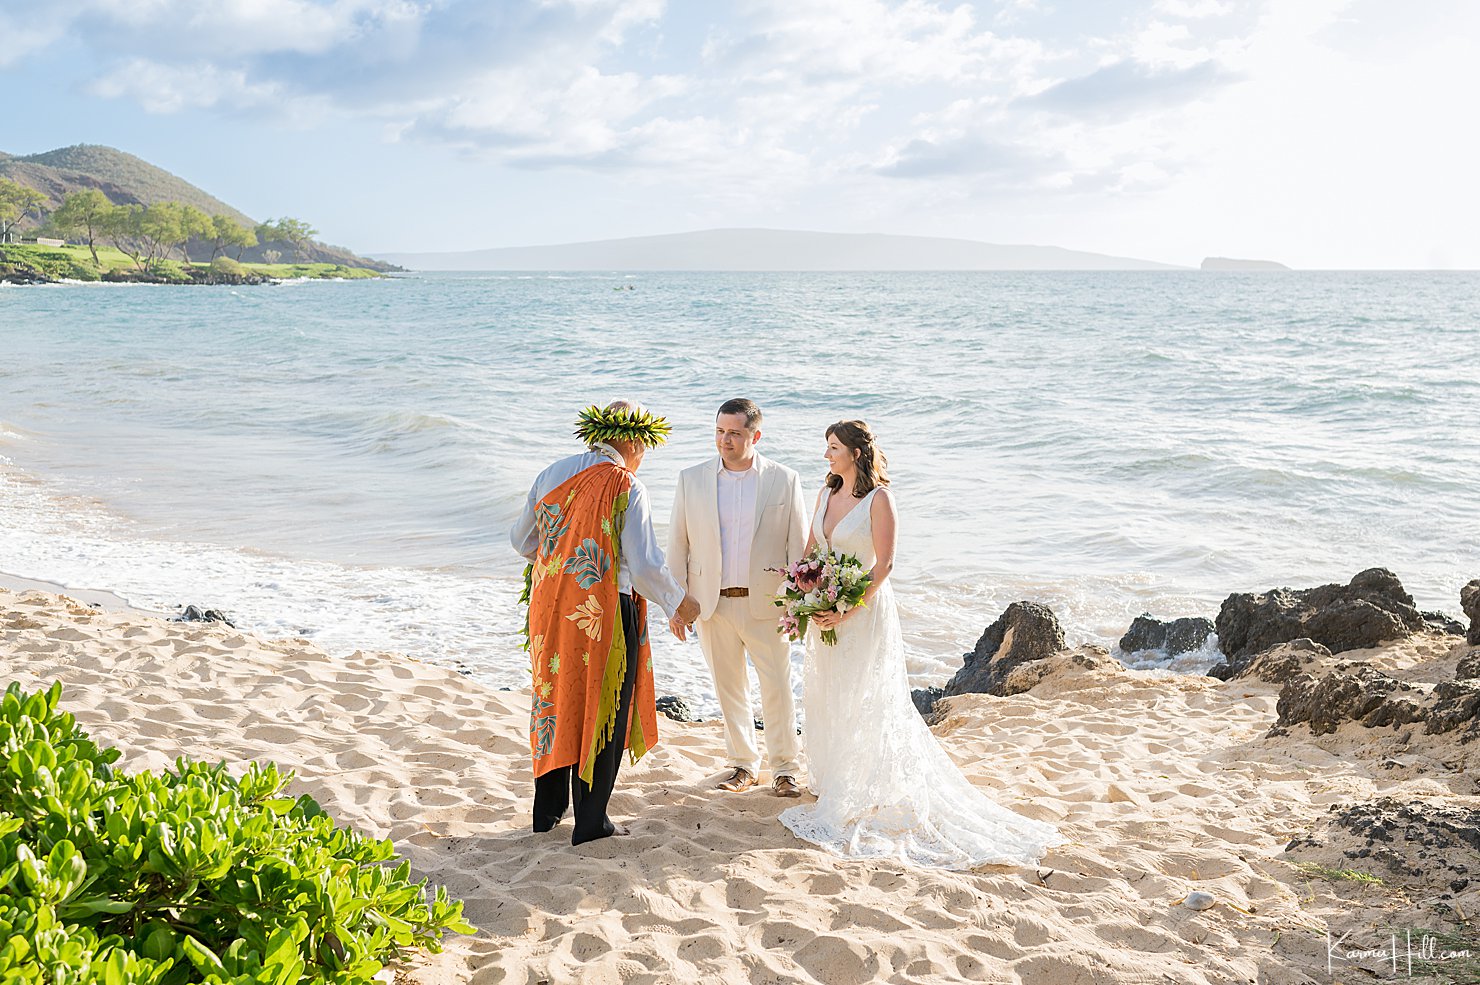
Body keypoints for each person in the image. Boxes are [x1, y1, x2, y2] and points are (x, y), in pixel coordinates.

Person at [778, 420, 1064, 869]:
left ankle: (865, 785)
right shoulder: (825, 494)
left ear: (855, 453)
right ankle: (835, 779)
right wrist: (802, 594)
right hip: (825, 612)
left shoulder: (879, 500)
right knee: (828, 691)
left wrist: (846, 609)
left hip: (863, 612)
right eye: (826, 447)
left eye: (833, 448)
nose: (826, 455)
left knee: (865, 695)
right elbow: (813, 552)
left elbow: (885, 564)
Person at [510, 401, 700, 844]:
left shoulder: (551, 473)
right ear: (634, 441)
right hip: (605, 612)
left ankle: (548, 811)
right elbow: (645, 564)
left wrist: (565, 557)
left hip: (551, 605)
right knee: (603, 705)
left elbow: (522, 541)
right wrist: (679, 601)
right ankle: (591, 822)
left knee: (554, 698)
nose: (643, 456)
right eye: (645, 447)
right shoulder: (626, 485)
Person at [668, 398, 808, 796]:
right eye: (719, 431)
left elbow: (797, 548)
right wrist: (678, 605)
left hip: (767, 603)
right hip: (710, 604)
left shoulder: (784, 479)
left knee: (777, 686)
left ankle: (784, 769)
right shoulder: (690, 479)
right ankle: (743, 765)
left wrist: (797, 603)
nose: (724, 440)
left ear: (754, 435)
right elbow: (678, 546)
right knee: (728, 687)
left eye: (734, 433)